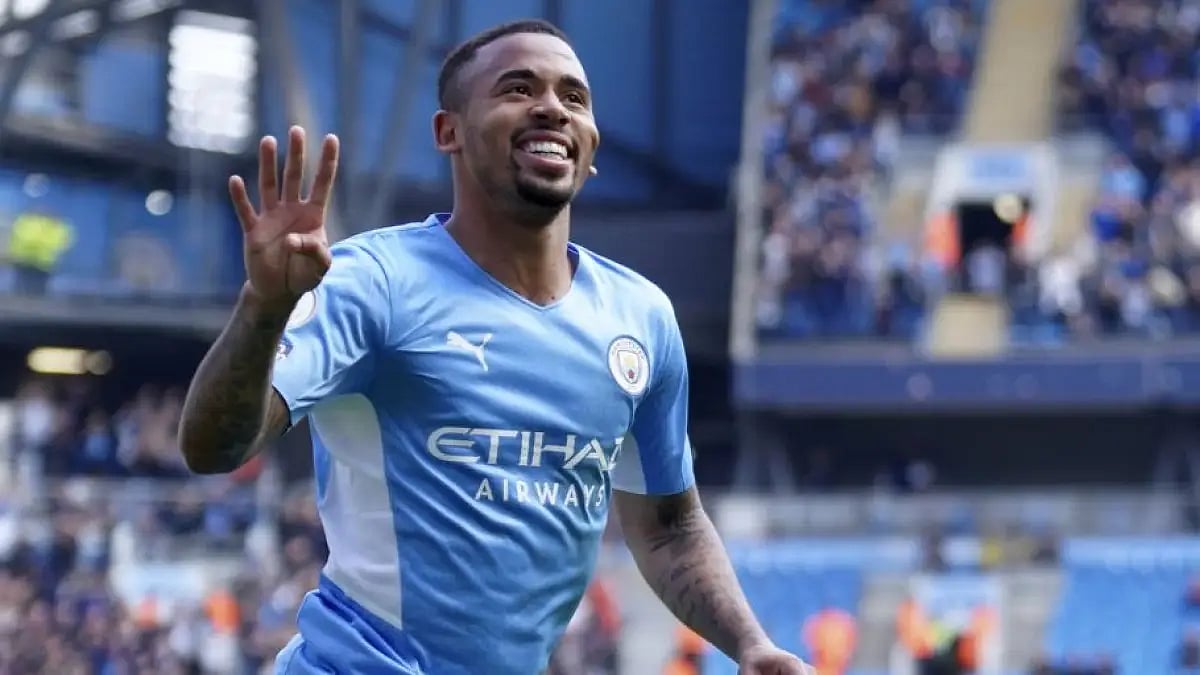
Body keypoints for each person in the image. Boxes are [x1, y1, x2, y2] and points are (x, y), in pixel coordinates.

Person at [177, 19, 812, 675]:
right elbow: (213, 448)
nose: (552, 108)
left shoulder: (641, 318)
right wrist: (264, 309)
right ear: (448, 131)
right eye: (518, 88)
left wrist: (751, 644)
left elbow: (669, 527)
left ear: (592, 146)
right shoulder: (373, 283)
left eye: (574, 97)